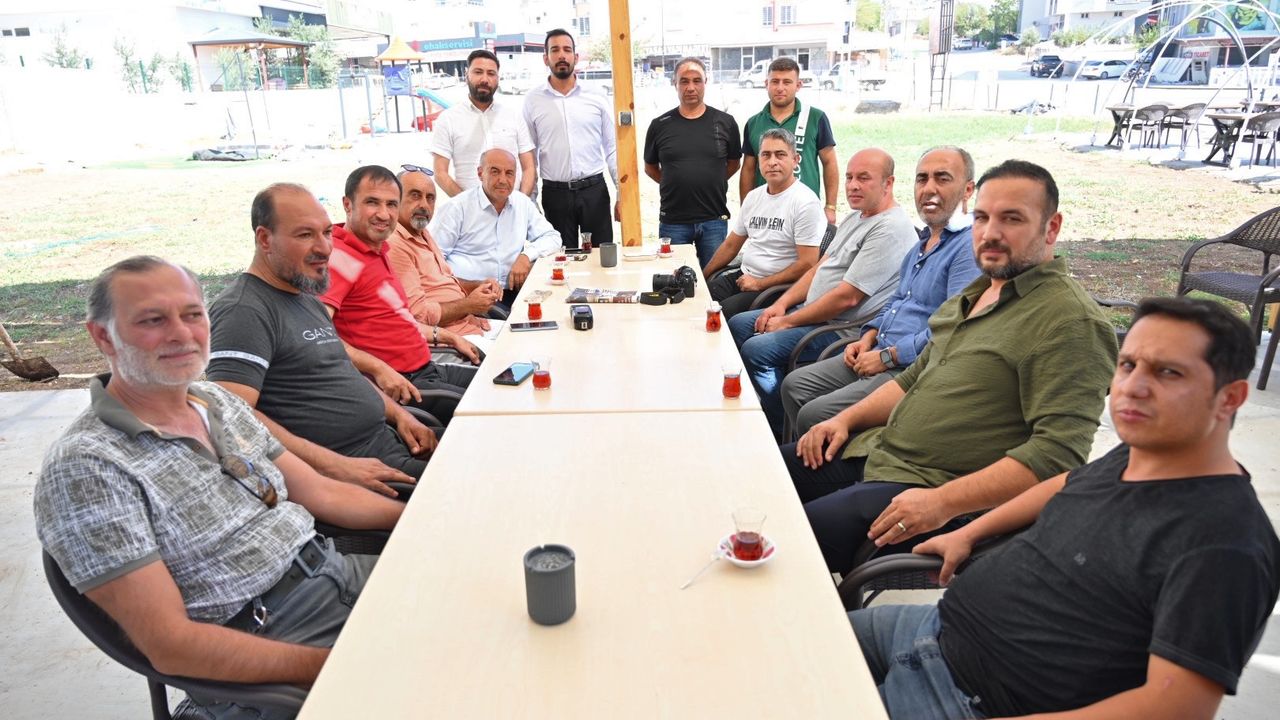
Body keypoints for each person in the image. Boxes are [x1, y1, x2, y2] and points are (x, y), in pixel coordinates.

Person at [853, 296, 1280, 720]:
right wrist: (968, 532)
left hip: (966, 702)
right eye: (1128, 365)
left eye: (1168, 372)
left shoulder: (1224, 543)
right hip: (933, 629)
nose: (1132, 387)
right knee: (808, 635)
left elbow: (1175, 708)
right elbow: (1066, 482)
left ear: (1230, 398)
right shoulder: (1146, 452)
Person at [35, 256, 405, 718]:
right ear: (103, 336)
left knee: (478, 593)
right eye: (152, 320)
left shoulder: (215, 401)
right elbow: (172, 645)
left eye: (192, 314)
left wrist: (428, 521)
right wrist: (335, 667)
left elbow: (322, 493)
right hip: (271, 638)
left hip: (336, 575)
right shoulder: (87, 468)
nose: (181, 333)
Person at [786, 160, 1118, 575]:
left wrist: (943, 502)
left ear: (1051, 228)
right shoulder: (976, 293)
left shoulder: (1069, 323)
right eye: (982, 217)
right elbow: (912, 379)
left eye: (1012, 219)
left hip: (933, 492)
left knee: (784, 540)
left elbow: (1057, 456)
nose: (990, 233)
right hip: (877, 451)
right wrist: (844, 420)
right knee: (761, 474)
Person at [208, 183, 438, 489]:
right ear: (265, 239)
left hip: (391, 441)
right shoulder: (244, 311)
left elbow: (343, 373)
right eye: (305, 235)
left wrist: (399, 415)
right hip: (354, 472)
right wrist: (335, 466)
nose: (325, 248)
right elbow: (233, 417)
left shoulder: (304, 297)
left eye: (327, 233)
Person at [780, 146, 982, 435]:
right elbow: (896, 300)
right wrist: (868, 337)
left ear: (968, 189)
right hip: (876, 348)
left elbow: (953, 330)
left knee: (815, 413)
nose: (929, 188)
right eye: (922, 179)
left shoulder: (967, 248)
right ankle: (807, 451)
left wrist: (888, 357)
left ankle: (833, 458)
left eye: (942, 178)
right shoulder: (922, 243)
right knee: (795, 385)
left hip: (908, 368)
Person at [728, 148, 915, 433]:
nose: (852, 185)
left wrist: (787, 321)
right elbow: (817, 269)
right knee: (740, 324)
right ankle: (767, 407)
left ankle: (776, 429)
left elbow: (847, 298)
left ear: (888, 183)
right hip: (813, 313)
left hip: (840, 328)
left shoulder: (889, 228)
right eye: (849, 177)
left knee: (757, 350)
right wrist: (781, 304)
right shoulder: (856, 217)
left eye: (863, 178)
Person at [319, 165, 478, 427]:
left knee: (504, 382)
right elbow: (319, 338)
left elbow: (398, 319)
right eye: (372, 202)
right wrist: (377, 368)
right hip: (403, 384)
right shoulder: (340, 258)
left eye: (392, 204)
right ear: (348, 205)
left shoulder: (377, 250)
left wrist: (449, 336)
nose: (384, 214)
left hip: (427, 367)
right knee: (492, 408)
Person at [702, 128, 823, 319]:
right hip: (744, 276)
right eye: (766, 155)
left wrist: (759, 284)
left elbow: (807, 263)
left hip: (777, 288)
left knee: (720, 315)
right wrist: (703, 277)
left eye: (780, 154)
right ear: (759, 160)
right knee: (697, 300)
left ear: (795, 160)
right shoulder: (754, 197)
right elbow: (731, 245)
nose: (772, 162)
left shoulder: (805, 202)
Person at [386, 165, 503, 356]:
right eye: (415, 195)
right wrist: (469, 305)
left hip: (473, 326)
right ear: (394, 200)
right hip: (452, 343)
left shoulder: (422, 232)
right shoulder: (395, 245)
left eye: (430, 198)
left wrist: (476, 286)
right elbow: (418, 316)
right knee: (521, 354)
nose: (424, 205)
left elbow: (443, 283)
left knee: (534, 334)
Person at [523, 28, 619, 249]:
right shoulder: (533, 101)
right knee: (559, 258)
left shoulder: (596, 95)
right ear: (546, 58)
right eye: (555, 50)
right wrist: (530, 201)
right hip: (555, 195)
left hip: (594, 191)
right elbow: (528, 156)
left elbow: (612, 148)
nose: (561, 55)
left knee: (601, 257)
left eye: (567, 50)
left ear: (575, 57)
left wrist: (622, 194)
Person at [642, 56, 742, 267]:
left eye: (697, 81)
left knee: (713, 278)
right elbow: (650, 168)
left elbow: (734, 163)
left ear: (706, 82)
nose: (690, 87)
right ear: (675, 84)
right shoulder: (659, 125)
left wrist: (711, 180)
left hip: (714, 218)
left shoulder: (725, 123)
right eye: (684, 81)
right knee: (675, 278)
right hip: (674, 221)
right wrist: (673, 182)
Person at [430, 148, 562, 307]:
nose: (503, 180)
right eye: (495, 172)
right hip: (468, 295)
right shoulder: (457, 208)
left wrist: (526, 256)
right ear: (480, 173)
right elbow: (432, 261)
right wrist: (466, 287)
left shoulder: (522, 203)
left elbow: (552, 237)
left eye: (509, 173)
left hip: (512, 291)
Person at [740, 57, 839, 225]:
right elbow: (748, 169)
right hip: (765, 212)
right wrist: (745, 209)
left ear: (798, 85)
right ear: (766, 84)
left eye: (787, 82)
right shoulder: (754, 122)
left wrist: (831, 206)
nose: (780, 88)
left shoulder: (815, 117)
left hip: (805, 210)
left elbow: (829, 162)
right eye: (775, 82)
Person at [430, 49, 537, 198]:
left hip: (513, 206)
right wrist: (467, 205)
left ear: (498, 78)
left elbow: (529, 167)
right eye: (478, 72)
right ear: (467, 75)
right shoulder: (448, 119)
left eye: (491, 73)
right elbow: (440, 173)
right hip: (469, 209)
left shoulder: (513, 116)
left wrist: (521, 203)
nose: (485, 79)